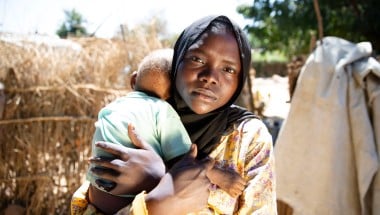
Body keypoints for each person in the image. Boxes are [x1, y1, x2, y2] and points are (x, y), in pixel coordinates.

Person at [72, 15, 276, 215]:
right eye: (197, 59)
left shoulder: (249, 138)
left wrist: (159, 177)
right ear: (177, 62)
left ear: (240, 80)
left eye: (228, 69)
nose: (210, 77)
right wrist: (151, 206)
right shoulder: (139, 121)